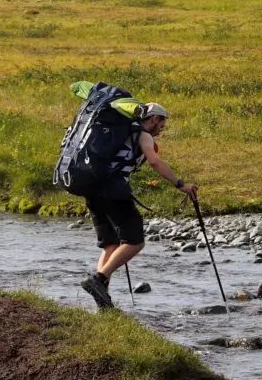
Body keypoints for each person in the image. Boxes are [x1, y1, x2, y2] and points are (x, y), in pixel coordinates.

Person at [68, 82, 198, 309]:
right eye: (161, 123)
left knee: (111, 244)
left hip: (93, 189)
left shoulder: (120, 130)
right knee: (135, 241)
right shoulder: (142, 134)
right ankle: (98, 280)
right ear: (154, 118)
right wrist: (181, 184)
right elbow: (155, 162)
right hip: (114, 192)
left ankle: (103, 300)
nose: (161, 129)